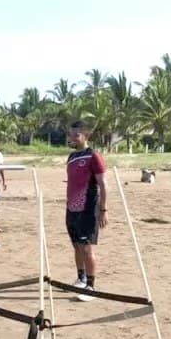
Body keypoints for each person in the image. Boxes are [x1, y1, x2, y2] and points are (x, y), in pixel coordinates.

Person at [66, 119, 108, 301]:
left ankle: (91, 286)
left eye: (77, 134)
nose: (74, 137)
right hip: (72, 208)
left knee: (87, 248)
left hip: (88, 208)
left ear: (86, 135)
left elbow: (103, 184)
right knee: (76, 246)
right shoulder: (72, 157)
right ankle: (81, 278)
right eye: (71, 134)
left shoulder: (93, 156)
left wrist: (104, 210)